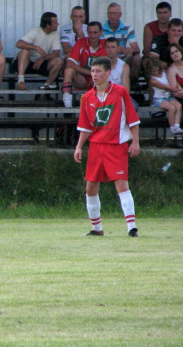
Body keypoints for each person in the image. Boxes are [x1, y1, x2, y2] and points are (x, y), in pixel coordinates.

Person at [74, 57, 140, 238]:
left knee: (121, 185)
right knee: (90, 188)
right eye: (92, 71)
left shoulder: (120, 92)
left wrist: (135, 141)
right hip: (96, 146)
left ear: (108, 72)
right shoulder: (87, 97)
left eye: (98, 71)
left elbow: (133, 119)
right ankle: (97, 228)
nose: (94, 75)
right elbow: (85, 126)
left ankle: (131, 227)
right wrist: (79, 147)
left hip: (116, 146)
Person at [12, 12, 63, 91]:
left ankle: (46, 87)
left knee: (59, 61)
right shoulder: (35, 31)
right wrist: (36, 48)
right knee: (24, 51)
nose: (58, 24)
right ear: (48, 25)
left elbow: (57, 53)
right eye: (55, 22)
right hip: (25, 63)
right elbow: (19, 44)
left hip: (40, 64)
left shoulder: (55, 34)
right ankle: (21, 82)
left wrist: (43, 58)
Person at [61, 22, 107, 108]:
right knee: (68, 70)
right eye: (90, 32)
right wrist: (90, 73)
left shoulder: (106, 44)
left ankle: (98, 106)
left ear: (101, 32)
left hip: (101, 79)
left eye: (95, 32)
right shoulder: (81, 42)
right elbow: (70, 63)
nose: (92, 35)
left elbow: (112, 66)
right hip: (83, 79)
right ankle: (67, 104)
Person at [101, 3, 141, 83]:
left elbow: (137, 49)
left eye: (114, 13)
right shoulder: (101, 29)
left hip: (123, 58)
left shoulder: (127, 27)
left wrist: (130, 50)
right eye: (109, 13)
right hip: (108, 58)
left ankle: (133, 83)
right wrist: (115, 49)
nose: (112, 16)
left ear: (120, 15)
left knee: (137, 58)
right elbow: (101, 48)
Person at [147, 56, 183, 135]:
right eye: (153, 71)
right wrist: (177, 90)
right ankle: (172, 127)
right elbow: (167, 87)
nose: (155, 73)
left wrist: (178, 87)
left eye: (157, 70)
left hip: (169, 96)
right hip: (159, 99)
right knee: (172, 108)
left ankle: (177, 126)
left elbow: (172, 81)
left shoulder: (164, 73)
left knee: (179, 106)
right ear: (149, 71)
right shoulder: (152, 80)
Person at [105, 37, 138, 111]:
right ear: (105, 49)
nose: (110, 49)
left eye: (113, 47)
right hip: (104, 97)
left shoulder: (124, 66)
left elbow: (126, 89)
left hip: (120, 96)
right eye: (108, 47)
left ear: (118, 49)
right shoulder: (100, 64)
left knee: (133, 106)